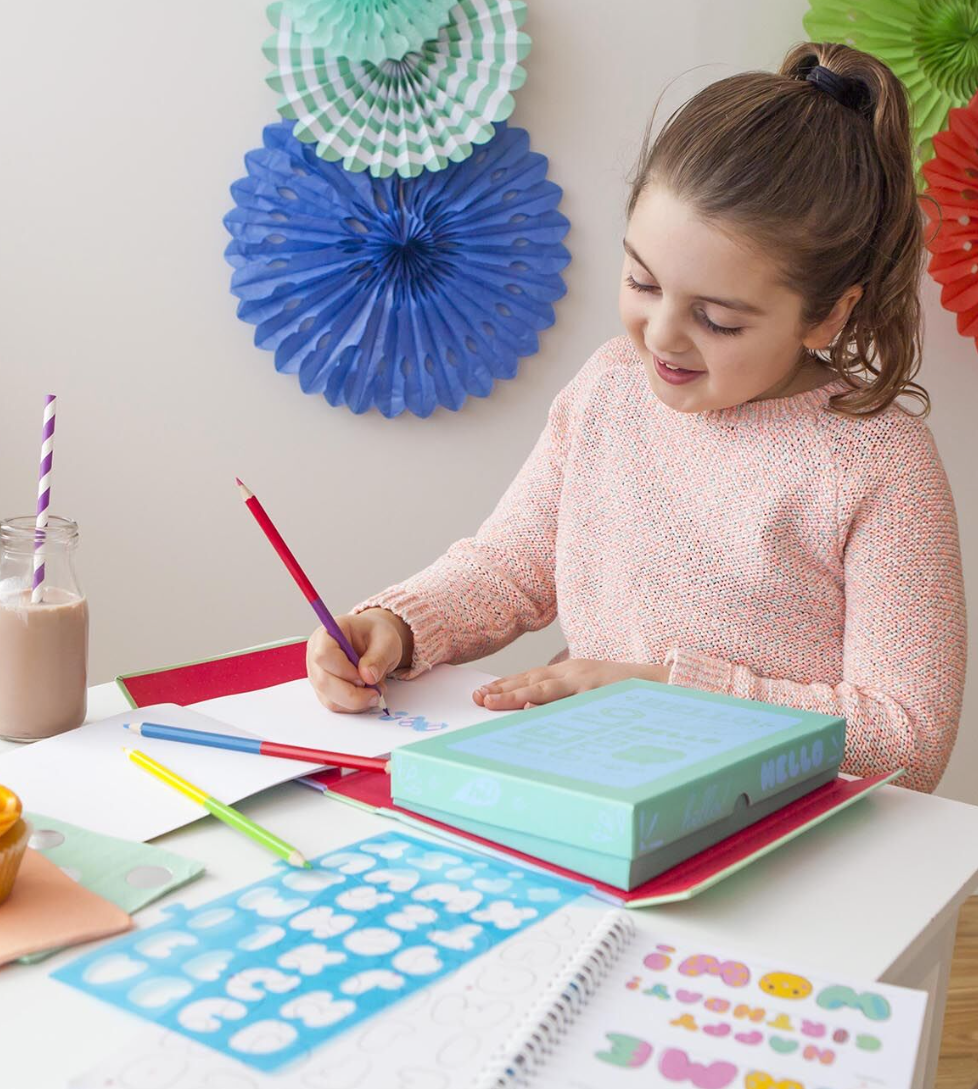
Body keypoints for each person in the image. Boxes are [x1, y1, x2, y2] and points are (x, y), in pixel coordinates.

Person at [306, 41, 967, 793]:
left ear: (826, 316)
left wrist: (660, 692)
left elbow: (906, 740)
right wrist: (397, 625)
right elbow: (508, 566)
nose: (659, 336)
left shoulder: (877, 460)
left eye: (717, 320)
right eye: (641, 282)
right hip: (588, 797)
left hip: (783, 842)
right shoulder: (609, 389)